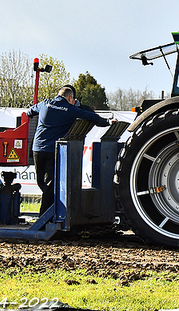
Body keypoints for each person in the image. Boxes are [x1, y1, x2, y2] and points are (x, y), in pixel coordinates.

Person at [27, 86, 115, 216]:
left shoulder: (45, 103)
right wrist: (109, 121)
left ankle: (48, 210)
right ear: (70, 98)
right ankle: (45, 216)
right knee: (51, 184)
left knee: (41, 182)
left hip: (38, 148)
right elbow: (93, 117)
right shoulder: (70, 109)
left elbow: (30, 112)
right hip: (53, 150)